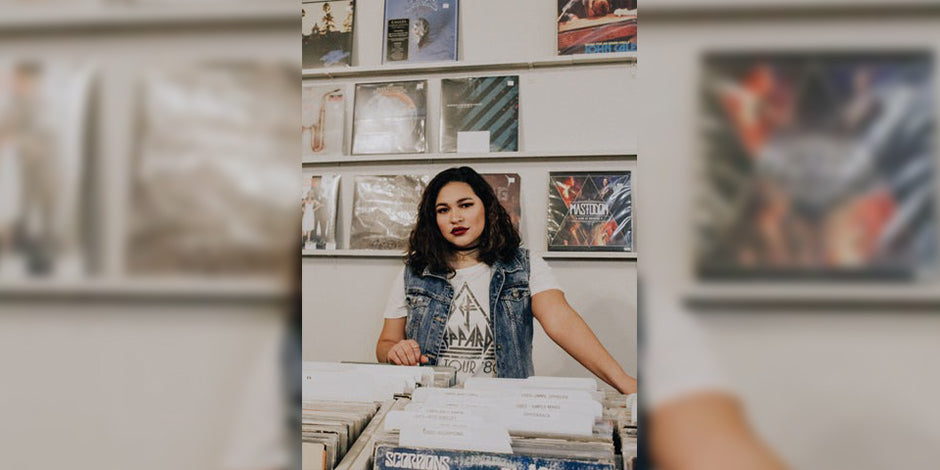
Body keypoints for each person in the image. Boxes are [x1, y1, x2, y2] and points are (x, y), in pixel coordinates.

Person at [375, 166, 637, 394]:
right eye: (443, 210)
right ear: (434, 220)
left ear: (486, 208)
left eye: (465, 205)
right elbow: (385, 344)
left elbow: (562, 322)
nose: (455, 217)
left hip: (503, 408)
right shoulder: (414, 273)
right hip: (431, 406)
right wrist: (394, 351)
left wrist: (623, 381)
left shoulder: (523, 266)